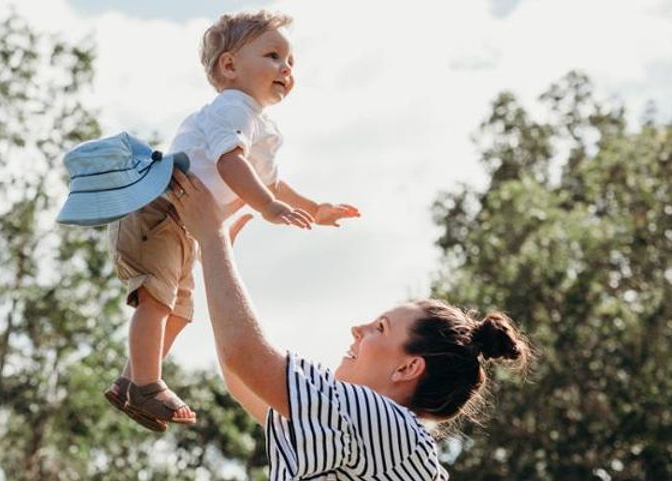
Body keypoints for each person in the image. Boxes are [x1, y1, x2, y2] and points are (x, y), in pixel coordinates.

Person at [165, 170, 531, 480]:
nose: (358, 329)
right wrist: (215, 257)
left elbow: (245, 356)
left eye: (380, 328)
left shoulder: (387, 425)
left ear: (408, 367)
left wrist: (212, 239)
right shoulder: (363, 433)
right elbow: (241, 372)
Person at [104, 10, 361, 432]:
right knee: (157, 299)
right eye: (274, 56)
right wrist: (264, 206)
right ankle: (147, 384)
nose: (286, 68)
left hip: (185, 224)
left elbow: (272, 183)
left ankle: (131, 380)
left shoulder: (260, 123)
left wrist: (316, 209)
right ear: (229, 65)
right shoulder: (232, 108)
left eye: (291, 62)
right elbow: (230, 165)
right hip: (160, 209)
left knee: (181, 311)